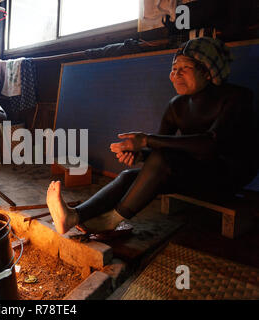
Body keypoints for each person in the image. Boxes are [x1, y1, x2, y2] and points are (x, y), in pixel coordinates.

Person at [46, 37, 258, 235]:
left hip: (227, 179)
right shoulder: (177, 105)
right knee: (130, 174)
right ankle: (74, 216)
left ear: (208, 72)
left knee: (160, 160)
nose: (176, 74)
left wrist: (145, 140)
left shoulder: (237, 97)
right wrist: (138, 152)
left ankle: (111, 220)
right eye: (174, 69)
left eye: (185, 68)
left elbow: (211, 144)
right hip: (196, 172)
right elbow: (160, 152)